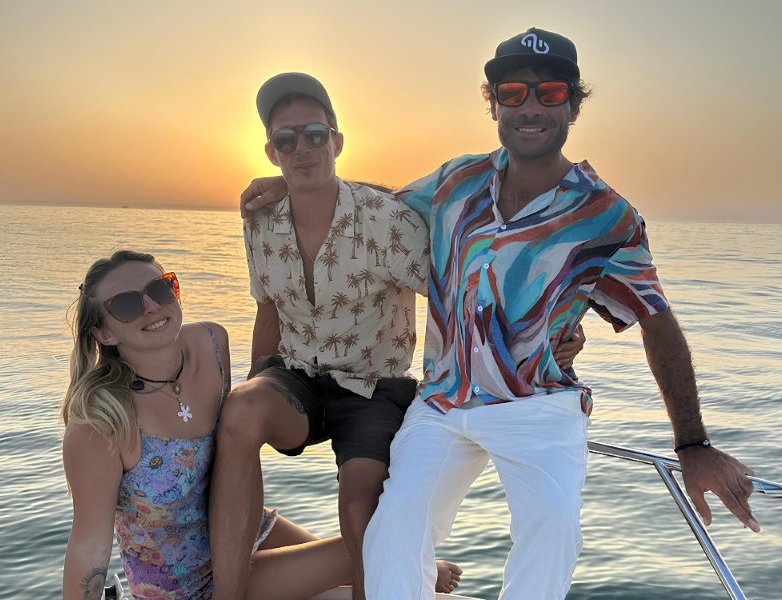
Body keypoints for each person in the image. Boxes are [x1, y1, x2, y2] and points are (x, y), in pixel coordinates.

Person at [241, 29, 759, 600]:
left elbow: (656, 320)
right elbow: (377, 203)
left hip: (537, 404)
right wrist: (295, 183)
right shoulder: (456, 183)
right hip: (443, 402)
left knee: (552, 529)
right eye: (513, 93)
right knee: (392, 537)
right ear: (494, 105)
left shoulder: (605, 216)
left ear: (573, 105)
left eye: (549, 92)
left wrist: (692, 444)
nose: (530, 106)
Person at [210, 73, 588, 600]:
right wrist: (259, 381)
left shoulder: (388, 221)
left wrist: (550, 331)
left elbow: (464, 290)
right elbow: (267, 310)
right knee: (239, 412)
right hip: (297, 378)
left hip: (373, 386)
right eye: (286, 140)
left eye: (315, 136)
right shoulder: (259, 218)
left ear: (337, 142)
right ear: (271, 152)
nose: (302, 149)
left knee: (361, 508)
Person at [61, 250, 352, 600]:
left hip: (244, 531)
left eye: (160, 289)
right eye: (125, 304)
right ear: (105, 334)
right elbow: (89, 548)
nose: (151, 306)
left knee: (380, 574)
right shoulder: (101, 419)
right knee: (367, 549)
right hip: (188, 585)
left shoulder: (211, 343)